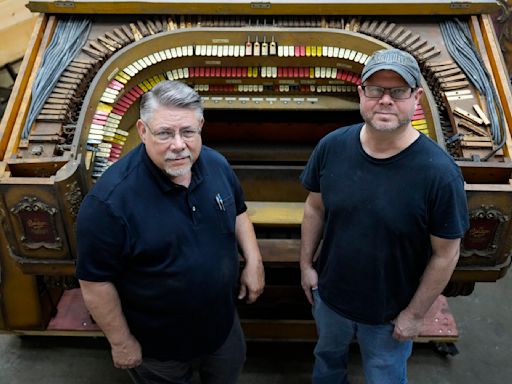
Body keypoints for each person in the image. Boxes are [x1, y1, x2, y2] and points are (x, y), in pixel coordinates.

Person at [76, 80, 265, 384]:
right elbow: (95, 283)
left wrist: (254, 261)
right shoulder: (108, 203)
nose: (178, 144)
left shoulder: (216, 164)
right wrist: (122, 342)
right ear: (142, 130)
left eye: (188, 132)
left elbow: (238, 212)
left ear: (200, 126)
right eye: (165, 133)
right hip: (158, 347)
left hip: (222, 327)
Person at [299, 48, 469, 384]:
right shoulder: (332, 147)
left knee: (384, 376)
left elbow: (446, 254)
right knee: (327, 362)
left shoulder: (440, 174)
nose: (385, 100)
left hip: (390, 315)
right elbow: (314, 207)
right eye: (376, 90)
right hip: (330, 298)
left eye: (398, 91)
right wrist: (306, 266)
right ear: (361, 93)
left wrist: (414, 315)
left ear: (416, 97)